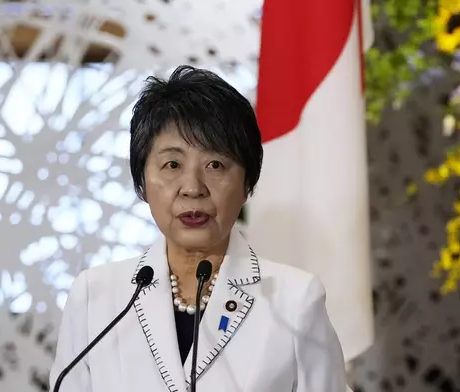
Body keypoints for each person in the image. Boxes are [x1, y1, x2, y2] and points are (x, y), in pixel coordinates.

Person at [49, 65, 349, 392]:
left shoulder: (294, 300)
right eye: (172, 165)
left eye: (215, 165)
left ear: (247, 183)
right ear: (142, 182)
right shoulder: (96, 297)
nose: (192, 188)